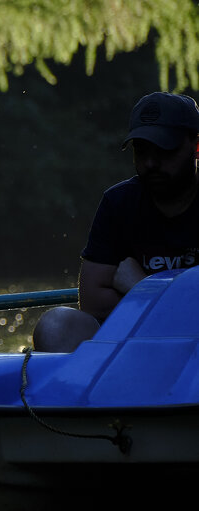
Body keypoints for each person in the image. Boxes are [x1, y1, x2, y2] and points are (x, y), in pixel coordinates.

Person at [33, 91, 199, 352]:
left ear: (196, 146)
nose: (150, 163)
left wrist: (142, 286)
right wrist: (177, 302)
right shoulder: (117, 202)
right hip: (131, 339)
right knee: (56, 325)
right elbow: (92, 301)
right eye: (141, 151)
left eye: (165, 150)